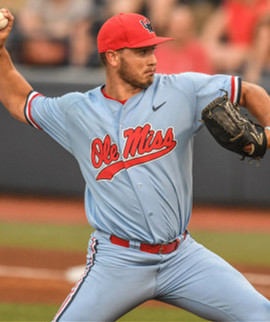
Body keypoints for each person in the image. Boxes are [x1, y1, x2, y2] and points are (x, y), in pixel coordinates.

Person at [0, 8, 270, 321]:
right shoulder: (76, 111)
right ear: (113, 57)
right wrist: (0, 51)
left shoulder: (183, 89)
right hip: (118, 260)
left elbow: (248, 91)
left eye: (152, 49)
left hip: (182, 257)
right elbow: (20, 100)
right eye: (141, 52)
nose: (152, 59)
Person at [201, 0, 270, 84]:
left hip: (260, 69)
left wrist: (243, 54)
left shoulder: (265, 7)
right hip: (235, 65)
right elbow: (207, 38)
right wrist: (224, 53)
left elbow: (264, 43)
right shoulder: (232, 7)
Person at [155, 4, 214, 74]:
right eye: (178, 24)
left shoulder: (198, 51)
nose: (181, 28)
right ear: (169, 26)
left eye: (184, 24)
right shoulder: (157, 51)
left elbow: (206, 78)